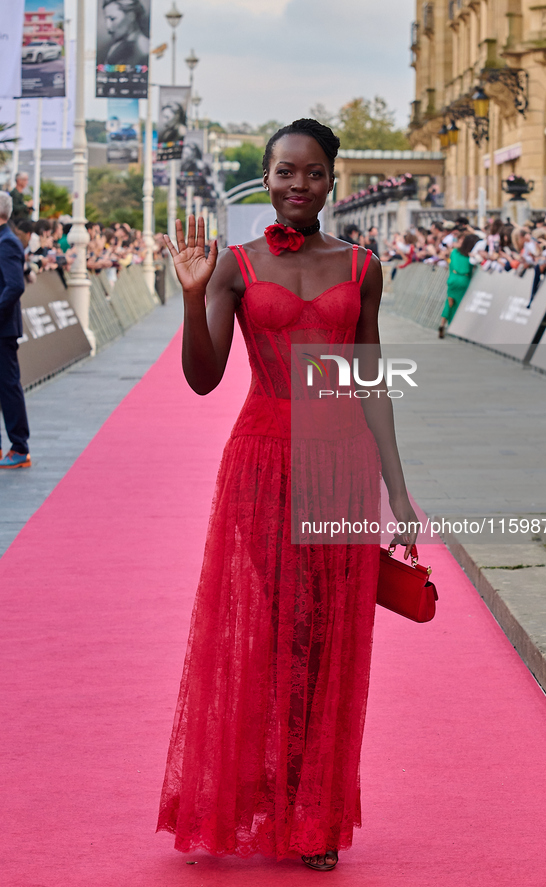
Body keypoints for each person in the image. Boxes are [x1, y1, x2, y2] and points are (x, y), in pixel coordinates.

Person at [156, 118, 418, 871]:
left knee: (324, 635)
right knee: (277, 629)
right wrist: (193, 295)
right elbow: (202, 377)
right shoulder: (235, 265)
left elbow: (371, 380)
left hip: (341, 464)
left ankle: (314, 809)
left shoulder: (363, 267)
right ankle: (263, 788)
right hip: (263, 460)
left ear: (332, 178)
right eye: (283, 172)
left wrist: (398, 491)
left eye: (311, 172)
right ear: (264, 179)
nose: (297, 185)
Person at [0, 192, 31, 469]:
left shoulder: (7, 242)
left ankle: (19, 447)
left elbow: (15, 285)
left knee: (8, 387)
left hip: (3, 329)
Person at [439, 231, 480, 338]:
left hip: (453, 278)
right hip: (464, 279)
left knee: (449, 302)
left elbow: (451, 265)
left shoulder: (454, 252)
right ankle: (453, 327)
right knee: (458, 305)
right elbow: (472, 270)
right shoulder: (470, 257)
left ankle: (442, 324)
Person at [101, 0, 149, 67]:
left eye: (112, 19)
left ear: (131, 16)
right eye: (106, 20)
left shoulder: (144, 50)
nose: (108, 26)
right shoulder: (116, 47)